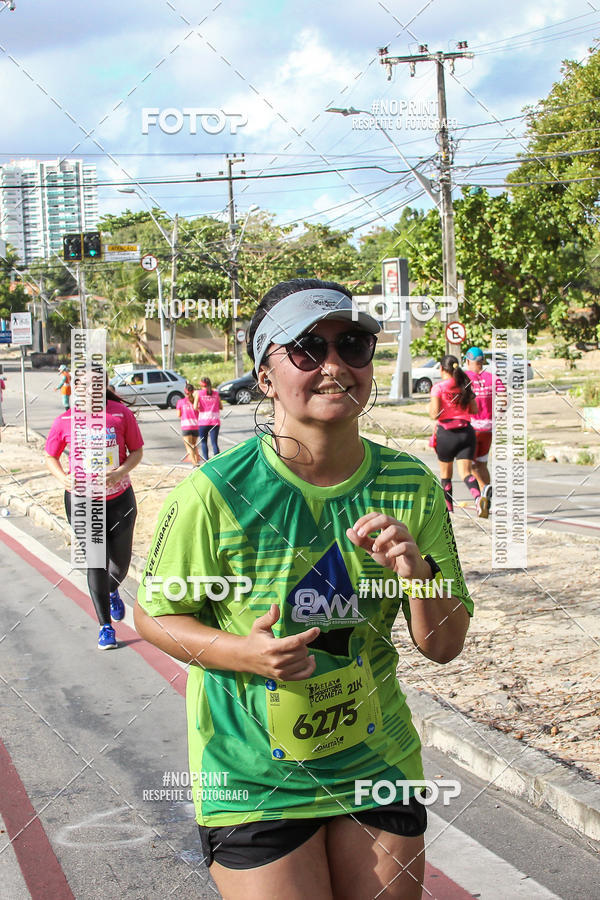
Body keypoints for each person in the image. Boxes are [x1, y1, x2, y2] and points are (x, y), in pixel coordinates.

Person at [134, 278, 473, 900]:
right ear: (265, 378)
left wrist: (417, 573)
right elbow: (154, 617)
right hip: (250, 776)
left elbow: (445, 645)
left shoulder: (411, 484)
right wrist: (247, 654)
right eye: (306, 350)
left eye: (352, 345)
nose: (335, 366)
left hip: (377, 764)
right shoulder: (213, 491)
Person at [45, 371, 144, 649]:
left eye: (96, 385)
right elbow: (50, 455)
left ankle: (112, 590)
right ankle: (105, 627)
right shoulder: (64, 420)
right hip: (82, 501)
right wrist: (61, 477)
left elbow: (136, 451)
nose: (90, 390)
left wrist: (120, 472)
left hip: (119, 499)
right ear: (75, 388)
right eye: (84, 385)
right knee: (96, 561)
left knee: (120, 564)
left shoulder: (121, 414)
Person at [429, 354, 487, 517]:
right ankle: (478, 499)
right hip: (466, 433)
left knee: (446, 476)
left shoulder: (438, 388)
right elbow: (475, 410)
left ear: (441, 369)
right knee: (466, 473)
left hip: (447, 434)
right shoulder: (465, 385)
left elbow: (434, 414)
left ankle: (449, 511)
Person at [464, 346, 506, 513]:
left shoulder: (465, 378)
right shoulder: (493, 378)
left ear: (468, 361)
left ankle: (480, 495)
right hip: (488, 428)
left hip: (472, 428)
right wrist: (499, 413)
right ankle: (486, 489)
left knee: (470, 467)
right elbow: (504, 398)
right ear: (482, 362)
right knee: (482, 464)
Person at [194, 376, 222, 460]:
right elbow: (221, 406)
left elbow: (195, 407)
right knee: (214, 443)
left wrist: (201, 408)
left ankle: (206, 460)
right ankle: (217, 460)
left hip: (203, 421)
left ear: (202, 385)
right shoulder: (216, 394)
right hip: (215, 421)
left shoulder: (199, 393)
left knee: (203, 442)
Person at [176, 382, 200, 466]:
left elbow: (178, 414)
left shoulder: (181, 402)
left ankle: (195, 463)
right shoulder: (195, 401)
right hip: (195, 426)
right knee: (194, 445)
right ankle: (197, 461)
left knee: (189, 447)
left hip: (186, 427)